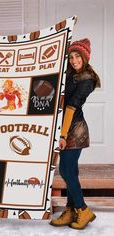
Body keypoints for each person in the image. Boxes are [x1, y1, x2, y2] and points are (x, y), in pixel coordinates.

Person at [50, 38, 101, 230]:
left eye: (77, 56)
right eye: (71, 56)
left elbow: (71, 107)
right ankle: (71, 210)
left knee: (66, 171)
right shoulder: (71, 74)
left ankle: (83, 209)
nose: (73, 60)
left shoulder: (87, 79)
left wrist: (62, 136)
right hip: (65, 127)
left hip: (74, 130)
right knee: (71, 171)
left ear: (85, 58)